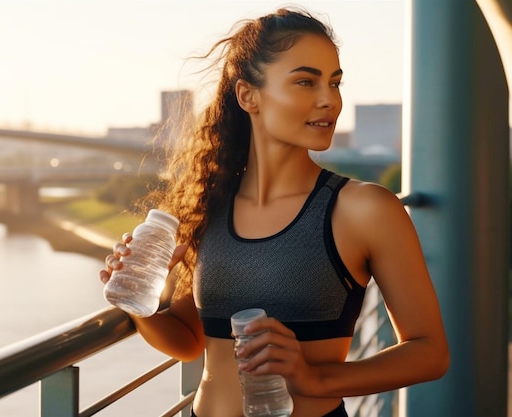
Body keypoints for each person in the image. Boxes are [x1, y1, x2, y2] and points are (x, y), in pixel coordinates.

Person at [99, 7, 449, 417]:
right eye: (306, 81)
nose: (329, 100)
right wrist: (141, 297)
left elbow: (430, 353)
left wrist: (315, 378)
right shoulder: (209, 205)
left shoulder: (365, 209)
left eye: (334, 83)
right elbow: (190, 340)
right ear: (248, 95)